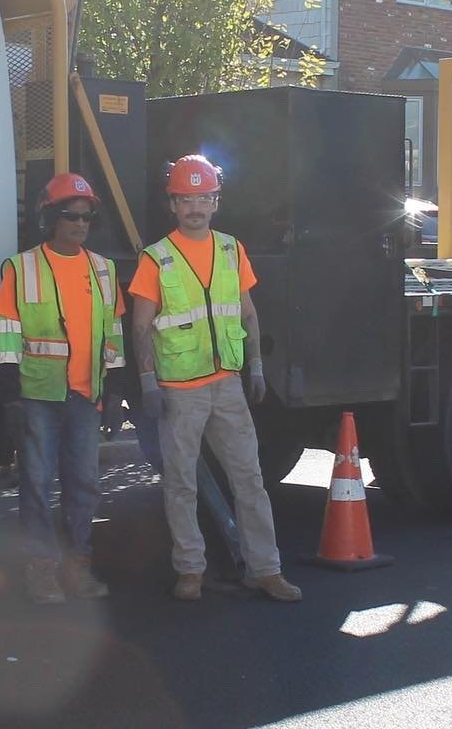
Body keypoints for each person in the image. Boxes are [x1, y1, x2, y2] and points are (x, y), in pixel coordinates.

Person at [129, 154, 302, 603]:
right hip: (180, 390)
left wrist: (257, 367)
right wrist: (148, 382)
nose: (195, 207)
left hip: (227, 384)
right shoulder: (157, 259)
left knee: (250, 478)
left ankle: (265, 569)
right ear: (172, 204)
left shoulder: (230, 249)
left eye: (203, 197)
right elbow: (141, 325)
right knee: (181, 482)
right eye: (186, 198)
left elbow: (247, 312)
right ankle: (190, 570)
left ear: (216, 201)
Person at [0, 172, 126, 604]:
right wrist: (11, 397)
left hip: (87, 396)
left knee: (84, 484)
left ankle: (77, 570)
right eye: (70, 215)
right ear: (50, 217)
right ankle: (41, 573)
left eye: (87, 217)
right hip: (38, 397)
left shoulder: (104, 270)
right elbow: (9, 335)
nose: (80, 223)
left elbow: (113, 337)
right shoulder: (21, 267)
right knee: (36, 483)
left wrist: (115, 393)